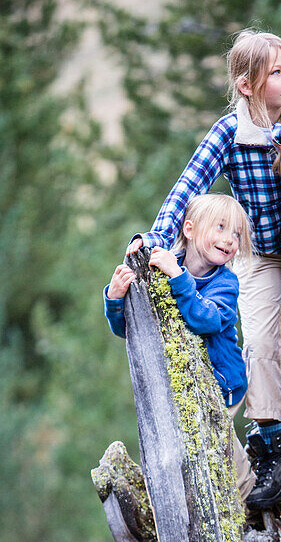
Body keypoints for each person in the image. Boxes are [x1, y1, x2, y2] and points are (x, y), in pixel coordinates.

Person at [126, 28, 281, 509]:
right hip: (257, 254)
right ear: (245, 85)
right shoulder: (229, 131)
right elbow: (187, 187)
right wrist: (156, 239)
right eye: (275, 73)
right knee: (259, 341)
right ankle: (272, 444)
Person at [105, 193, 256, 501]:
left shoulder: (225, 283)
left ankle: (249, 494)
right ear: (189, 229)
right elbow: (131, 331)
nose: (229, 240)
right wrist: (115, 298)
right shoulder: (161, 266)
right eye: (221, 228)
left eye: (237, 234)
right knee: (191, 451)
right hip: (182, 387)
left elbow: (206, 320)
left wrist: (178, 275)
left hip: (222, 385)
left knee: (218, 444)